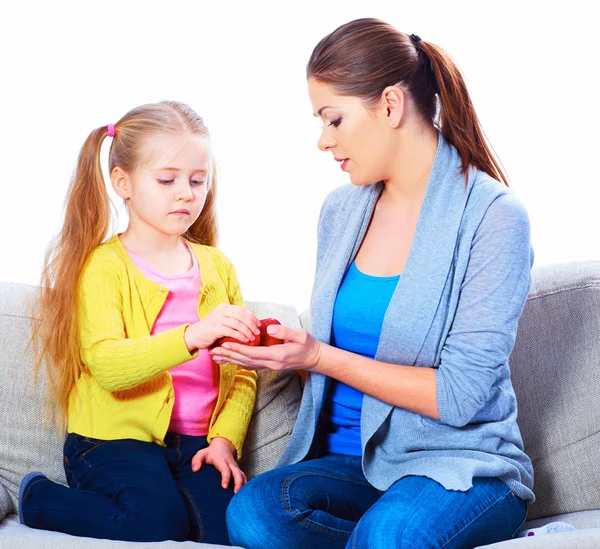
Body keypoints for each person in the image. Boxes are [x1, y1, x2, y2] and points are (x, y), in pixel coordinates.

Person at [216, 18, 534, 549]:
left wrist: (318, 356)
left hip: (456, 465)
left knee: (389, 533)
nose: (322, 140)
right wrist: (279, 351)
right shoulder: (342, 210)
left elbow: (460, 397)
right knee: (254, 515)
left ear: (389, 105)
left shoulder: (494, 217)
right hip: (351, 465)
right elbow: (337, 346)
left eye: (333, 119)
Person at [18, 100, 259, 545]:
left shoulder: (217, 266)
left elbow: (240, 371)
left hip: (194, 444)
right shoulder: (103, 266)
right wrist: (192, 335)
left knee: (229, 530)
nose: (186, 193)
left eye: (197, 180)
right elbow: (108, 365)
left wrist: (225, 441)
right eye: (167, 180)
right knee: (156, 524)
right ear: (122, 182)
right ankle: (37, 497)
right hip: (110, 441)